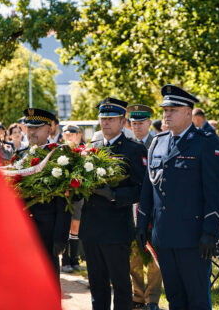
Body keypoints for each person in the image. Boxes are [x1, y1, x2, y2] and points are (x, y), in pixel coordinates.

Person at [136, 84, 219, 310]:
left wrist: (210, 232)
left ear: (188, 112)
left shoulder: (205, 142)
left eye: (173, 109)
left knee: (196, 300)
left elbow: (214, 192)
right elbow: (149, 187)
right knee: (175, 298)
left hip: (193, 238)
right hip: (163, 237)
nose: (167, 114)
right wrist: (141, 224)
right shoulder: (158, 142)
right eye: (165, 109)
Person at [79, 97, 147, 310]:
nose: (105, 122)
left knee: (120, 284)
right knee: (97, 284)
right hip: (91, 228)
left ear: (122, 121)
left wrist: (115, 195)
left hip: (116, 228)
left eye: (110, 118)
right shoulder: (92, 148)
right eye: (102, 118)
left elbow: (140, 190)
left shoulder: (134, 150)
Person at [22, 108, 71, 276]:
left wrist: (60, 236)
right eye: (29, 127)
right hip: (22, 231)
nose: (32, 131)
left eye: (37, 127)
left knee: (48, 278)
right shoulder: (19, 156)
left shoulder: (59, 156)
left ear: (49, 129)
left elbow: (65, 202)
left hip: (48, 232)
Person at [126, 105, 162, 310]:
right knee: (134, 255)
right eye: (134, 123)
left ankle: (153, 299)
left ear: (149, 123)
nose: (137, 127)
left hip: (154, 209)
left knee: (155, 256)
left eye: (141, 123)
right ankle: (138, 296)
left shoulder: (157, 144)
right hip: (131, 208)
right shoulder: (128, 145)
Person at [61, 124, 86, 273]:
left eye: (73, 133)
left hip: (79, 194)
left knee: (75, 226)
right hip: (63, 195)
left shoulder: (85, 151)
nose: (69, 135)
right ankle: (65, 260)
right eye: (66, 133)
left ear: (79, 134)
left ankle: (74, 258)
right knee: (65, 227)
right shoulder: (59, 152)